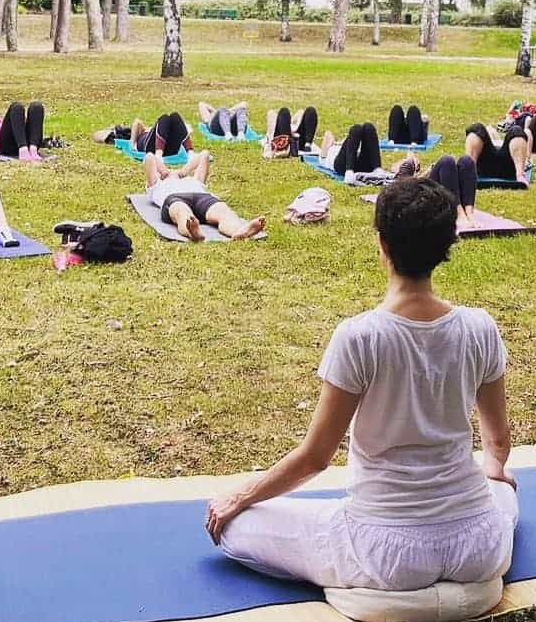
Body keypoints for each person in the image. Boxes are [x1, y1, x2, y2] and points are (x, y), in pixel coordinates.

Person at [206, 177, 518, 593]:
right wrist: (494, 472)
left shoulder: (360, 337)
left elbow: (315, 458)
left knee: (234, 527)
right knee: (501, 489)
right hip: (479, 547)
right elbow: (498, 444)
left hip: (384, 554)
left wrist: (240, 497)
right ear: (448, 245)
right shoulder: (480, 328)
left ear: (382, 245)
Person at [142, 150, 265, 242]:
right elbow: (149, 157)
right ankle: (193, 232)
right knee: (182, 212)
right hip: (175, 198)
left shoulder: (194, 180)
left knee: (224, 211)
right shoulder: (157, 185)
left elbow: (204, 155)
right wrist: (165, 172)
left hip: (202, 197)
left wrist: (183, 172)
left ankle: (239, 231)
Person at [464, 123, 530, 186]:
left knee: (516, 130)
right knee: (477, 127)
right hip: (484, 165)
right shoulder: (485, 138)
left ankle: (520, 175)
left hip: (509, 167)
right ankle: (469, 173)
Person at [426, 155, 479, 229]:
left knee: (467, 161)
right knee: (447, 161)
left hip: (448, 192)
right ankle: (458, 214)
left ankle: (469, 213)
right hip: (431, 197)